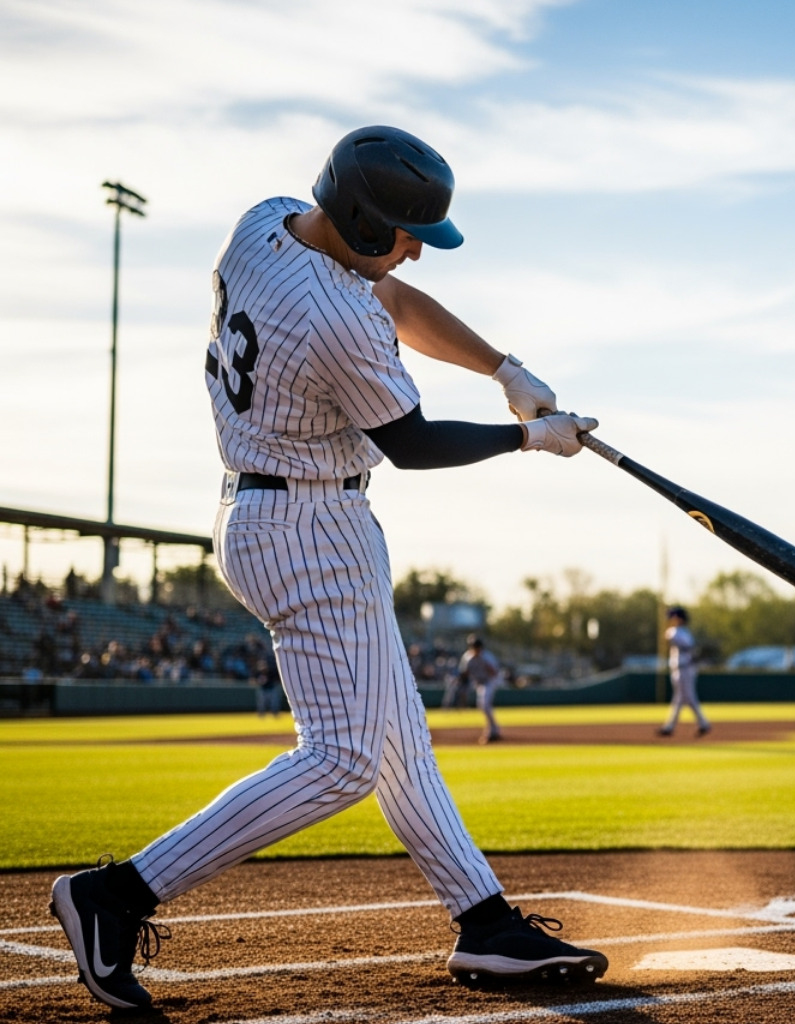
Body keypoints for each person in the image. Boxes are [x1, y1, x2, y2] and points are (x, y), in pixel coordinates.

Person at [48, 126, 607, 1012]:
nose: (415, 248)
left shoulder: (267, 221)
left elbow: (393, 295)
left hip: (266, 507)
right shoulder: (335, 319)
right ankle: (116, 895)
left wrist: (503, 368)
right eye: (403, 231)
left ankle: (485, 922)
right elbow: (413, 444)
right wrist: (532, 436)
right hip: (310, 527)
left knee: (397, 741)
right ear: (360, 217)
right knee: (346, 758)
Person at [657, 606, 710, 738]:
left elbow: (672, 636)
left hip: (685, 668)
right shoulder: (683, 633)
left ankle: (703, 723)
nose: (671, 620)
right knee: (680, 699)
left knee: (688, 698)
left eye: (673, 617)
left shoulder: (679, 632)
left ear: (679, 618)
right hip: (681, 668)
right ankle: (670, 726)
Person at [457, 635, 505, 743]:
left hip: (490, 681)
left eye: (478, 647)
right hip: (478, 683)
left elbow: (494, 672)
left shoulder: (487, 657)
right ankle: (494, 729)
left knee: (484, 704)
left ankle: (491, 730)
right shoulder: (467, 657)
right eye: (474, 647)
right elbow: (464, 672)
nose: (477, 649)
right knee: (482, 706)